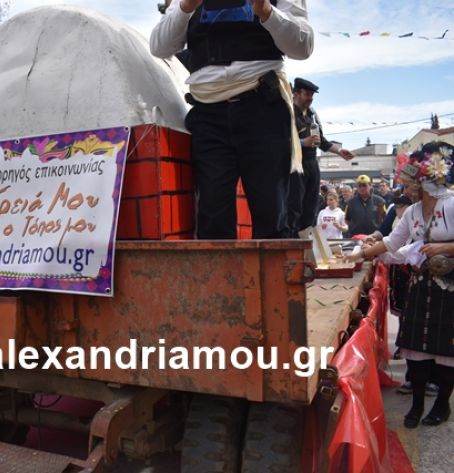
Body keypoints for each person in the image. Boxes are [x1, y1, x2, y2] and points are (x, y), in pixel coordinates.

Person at [150, 0, 314, 239]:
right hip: (208, 113)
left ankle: (271, 276)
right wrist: (186, 6)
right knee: (213, 216)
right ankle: (219, 276)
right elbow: (159, 47)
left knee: (273, 215)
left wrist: (267, 12)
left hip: (263, 109)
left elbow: (303, 47)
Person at [347, 141, 454, 428]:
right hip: (420, 287)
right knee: (416, 350)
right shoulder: (411, 213)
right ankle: (418, 403)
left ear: (425, 184)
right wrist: (357, 255)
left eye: (409, 185)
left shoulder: (452, 205)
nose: (404, 191)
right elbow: (393, 245)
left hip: (450, 288)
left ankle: (442, 404)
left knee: (447, 353)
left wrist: (444, 247)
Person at [288, 78, 354, 236]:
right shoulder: (287, 112)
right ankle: (292, 241)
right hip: (295, 164)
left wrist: (339, 151)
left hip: (312, 163)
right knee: (294, 206)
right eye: (307, 94)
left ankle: (305, 241)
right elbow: (279, 140)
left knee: (311, 206)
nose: (310, 98)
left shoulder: (313, 114)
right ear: (296, 93)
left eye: (312, 95)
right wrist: (303, 142)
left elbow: (321, 141)